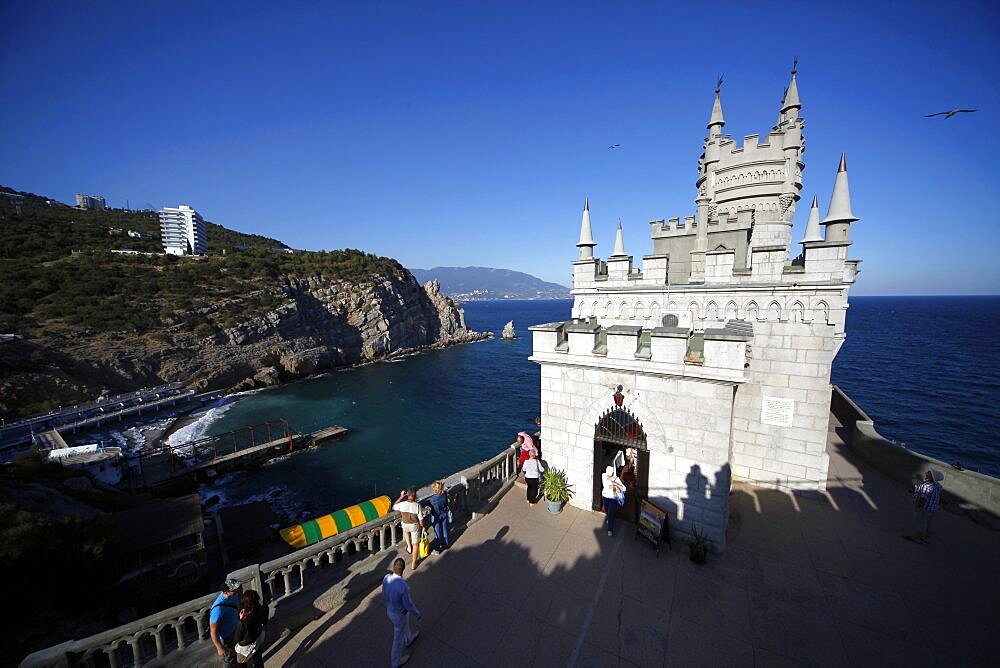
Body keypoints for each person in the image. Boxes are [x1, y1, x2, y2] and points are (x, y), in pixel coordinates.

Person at [383, 557, 421, 667]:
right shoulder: (403, 586)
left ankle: (408, 639)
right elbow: (408, 604)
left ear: (393, 568)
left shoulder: (386, 578)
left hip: (390, 609)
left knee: (406, 623)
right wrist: (417, 613)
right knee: (397, 640)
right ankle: (396, 662)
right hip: (399, 614)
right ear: (403, 569)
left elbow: (384, 593)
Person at [905, 469, 944, 544]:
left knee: (919, 522)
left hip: (924, 508)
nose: (926, 473)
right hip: (933, 508)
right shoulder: (938, 486)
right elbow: (937, 494)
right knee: (929, 524)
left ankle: (916, 538)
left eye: (928, 473)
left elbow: (922, 499)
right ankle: (925, 538)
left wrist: (917, 506)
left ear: (932, 477)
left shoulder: (926, 486)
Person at [209, 578, 242, 665]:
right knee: (229, 659)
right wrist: (219, 647)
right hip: (226, 637)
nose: (237, 590)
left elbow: (236, 607)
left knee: (236, 654)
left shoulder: (234, 595)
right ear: (226, 592)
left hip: (235, 629)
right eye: (234, 589)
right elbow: (213, 632)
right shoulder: (217, 610)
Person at [234, 590, 268, 667]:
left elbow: (237, 638)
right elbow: (264, 622)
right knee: (258, 659)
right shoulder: (264, 608)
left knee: (241, 664)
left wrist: (241, 620)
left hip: (246, 645)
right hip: (258, 637)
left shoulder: (244, 622)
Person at [393, 487, 424, 569]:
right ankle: (413, 563)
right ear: (415, 495)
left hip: (405, 524)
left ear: (407, 494)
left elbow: (394, 506)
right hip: (414, 526)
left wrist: (401, 496)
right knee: (416, 544)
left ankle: (409, 547)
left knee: (405, 532)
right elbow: (421, 519)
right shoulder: (417, 506)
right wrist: (422, 527)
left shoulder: (402, 504)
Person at [601, 465, 625, 537]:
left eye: (609, 474)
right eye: (607, 473)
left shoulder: (616, 479)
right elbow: (607, 486)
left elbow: (623, 489)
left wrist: (615, 483)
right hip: (605, 496)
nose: (608, 475)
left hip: (613, 498)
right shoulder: (603, 475)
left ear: (612, 473)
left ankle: (610, 529)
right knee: (607, 509)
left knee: (611, 512)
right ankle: (609, 518)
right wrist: (615, 486)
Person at [426, 480, 450, 554]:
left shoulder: (432, 499)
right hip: (444, 514)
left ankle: (437, 549)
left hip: (436, 516)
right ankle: (446, 544)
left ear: (435, 489)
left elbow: (425, 504)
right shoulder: (444, 494)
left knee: (437, 533)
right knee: (444, 529)